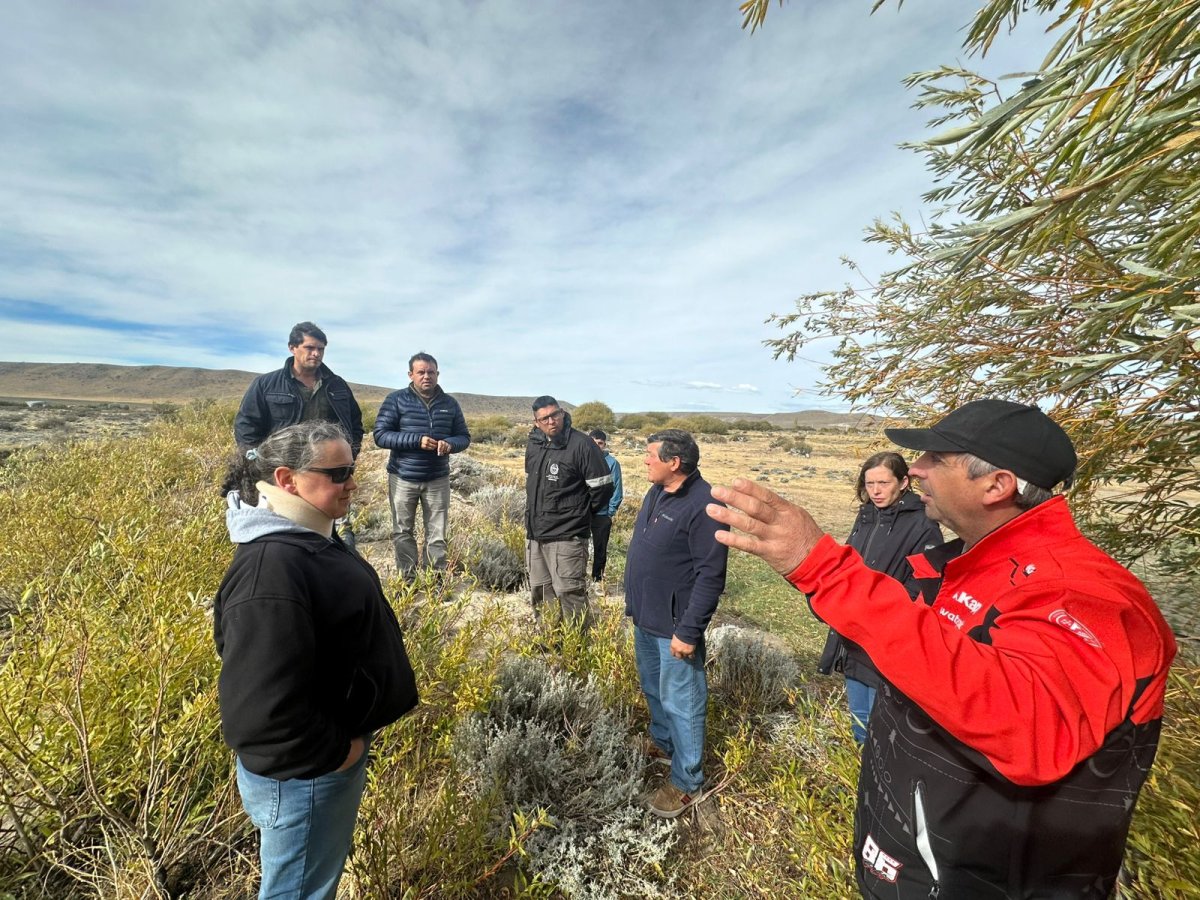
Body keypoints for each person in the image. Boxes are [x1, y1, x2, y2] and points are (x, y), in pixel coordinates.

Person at [707, 399, 1176, 899]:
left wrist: (825, 570)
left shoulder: (1085, 593)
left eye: (935, 457)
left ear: (997, 485)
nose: (915, 469)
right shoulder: (968, 564)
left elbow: (1028, 726)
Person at [214, 421, 418, 899]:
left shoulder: (307, 535)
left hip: (311, 769)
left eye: (353, 468)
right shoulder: (273, 569)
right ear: (287, 480)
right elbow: (259, 717)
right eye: (338, 472)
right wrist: (336, 754)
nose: (352, 482)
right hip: (304, 776)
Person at [625, 430, 728, 818]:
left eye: (651, 455)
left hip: (675, 628)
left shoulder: (704, 504)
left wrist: (688, 631)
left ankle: (688, 784)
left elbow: (710, 576)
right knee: (654, 689)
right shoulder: (657, 492)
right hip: (646, 618)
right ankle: (663, 743)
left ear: (674, 463)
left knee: (682, 702)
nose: (645, 461)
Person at [817, 451, 942, 743]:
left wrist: (878, 611)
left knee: (883, 734)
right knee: (859, 727)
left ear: (903, 482)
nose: (875, 490)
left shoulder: (923, 525)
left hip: (888, 644)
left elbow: (924, 588)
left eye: (883, 483)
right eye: (870, 483)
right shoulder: (866, 517)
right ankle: (857, 784)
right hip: (853, 639)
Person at [373, 352, 471, 580]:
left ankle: (433, 581)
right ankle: (408, 579)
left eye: (431, 372)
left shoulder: (450, 403)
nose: (427, 376)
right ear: (411, 374)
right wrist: (416, 441)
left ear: (437, 374)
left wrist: (450, 444)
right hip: (403, 476)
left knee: (437, 534)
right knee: (402, 530)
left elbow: (464, 436)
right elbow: (380, 435)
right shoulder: (396, 400)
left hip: (437, 477)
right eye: (421, 372)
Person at [524, 396, 614, 630]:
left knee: (569, 592)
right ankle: (549, 642)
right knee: (540, 590)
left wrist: (579, 515)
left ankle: (576, 649)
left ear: (563, 413)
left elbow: (603, 488)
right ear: (536, 422)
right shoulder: (534, 443)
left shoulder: (582, 445)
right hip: (536, 533)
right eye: (545, 418)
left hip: (568, 534)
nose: (552, 421)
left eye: (555, 414)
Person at [234, 322, 364, 457]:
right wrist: (258, 461)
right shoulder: (266, 384)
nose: (316, 353)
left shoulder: (337, 385)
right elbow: (246, 426)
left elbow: (354, 424)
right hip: (281, 465)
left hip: (328, 465)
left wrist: (349, 454)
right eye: (309, 347)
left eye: (321, 349)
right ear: (292, 348)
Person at [587, 428, 623, 595]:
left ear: (604, 444)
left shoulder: (612, 463)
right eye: (593, 444)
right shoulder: (582, 459)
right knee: (578, 547)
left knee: (600, 549)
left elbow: (617, 489)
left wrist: (610, 511)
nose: (597, 447)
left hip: (602, 515)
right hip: (582, 514)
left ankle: (597, 580)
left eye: (600, 444)